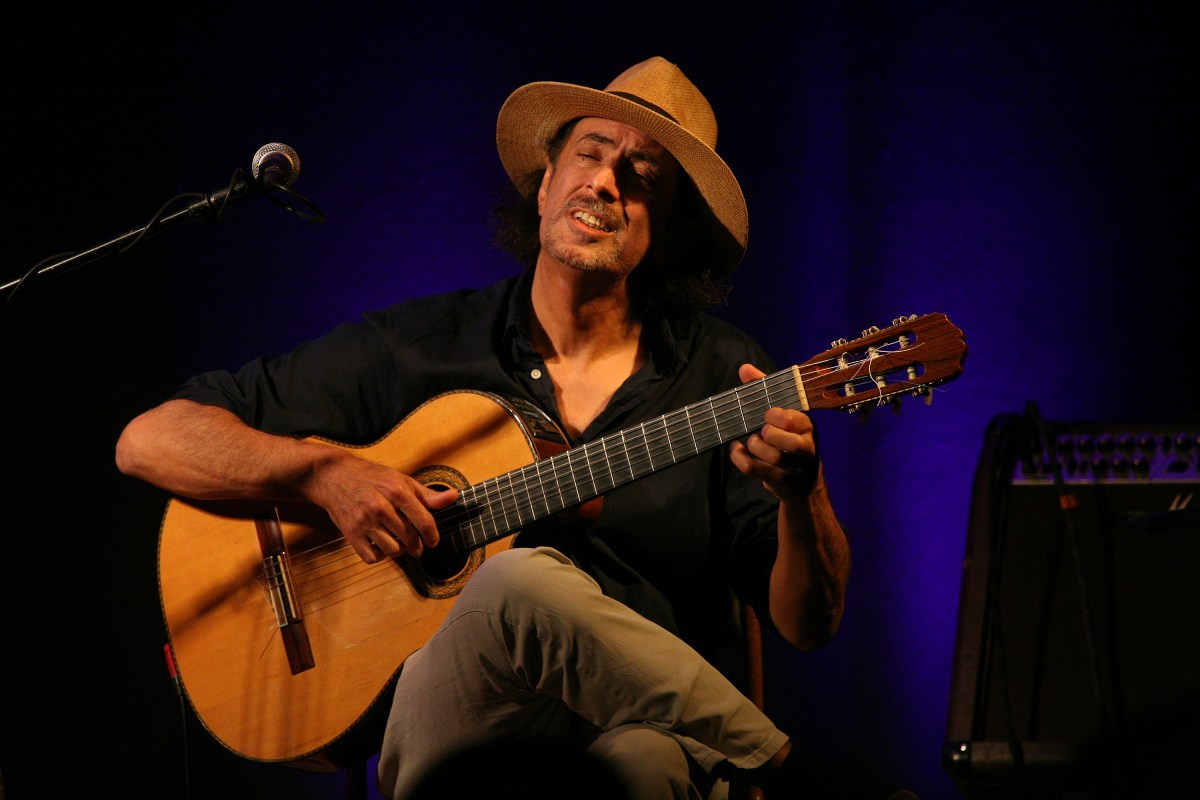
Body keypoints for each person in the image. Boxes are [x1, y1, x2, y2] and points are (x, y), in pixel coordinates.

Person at [116, 57, 916, 800]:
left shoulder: (724, 375)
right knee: (511, 582)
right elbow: (149, 439)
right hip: (460, 743)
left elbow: (808, 625)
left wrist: (802, 494)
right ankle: (802, 777)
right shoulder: (423, 347)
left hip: (644, 738)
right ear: (543, 187)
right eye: (589, 155)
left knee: (647, 763)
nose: (604, 183)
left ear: (668, 231)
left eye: (641, 178)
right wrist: (323, 475)